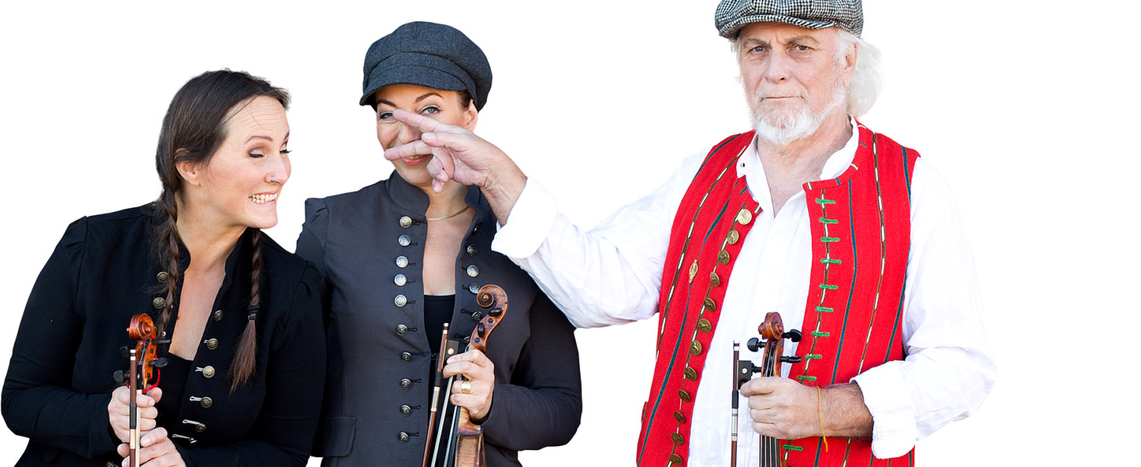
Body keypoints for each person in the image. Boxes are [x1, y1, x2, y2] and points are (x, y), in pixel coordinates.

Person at [379, 2, 995, 466]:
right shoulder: (702, 176)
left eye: (800, 47)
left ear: (848, 59)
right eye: (756, 49)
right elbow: (603, 290)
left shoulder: (912, 188)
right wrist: (500, 176)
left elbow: (961, 368)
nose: (774, 71)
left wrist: (829, 408)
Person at [2, 70, 326, 467]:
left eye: (284, 149)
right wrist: (103, 417)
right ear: (189, 167)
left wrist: (187, 465)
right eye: (257, 153)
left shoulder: (295, 289)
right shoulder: (92, 247)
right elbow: (20, 399)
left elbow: (286, 451)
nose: (281, 172)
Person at [296, 21, 582, 467]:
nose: (405, 133)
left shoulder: (525, 233)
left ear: (470, 115)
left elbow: (562, 409)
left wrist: (493, 402)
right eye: (387, 114)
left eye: (428, 109)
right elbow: (286, 382)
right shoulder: (330, 226)